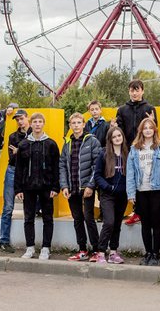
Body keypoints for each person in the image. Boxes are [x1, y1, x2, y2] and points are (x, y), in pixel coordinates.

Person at [126, 117, 160, 266]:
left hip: (157, 190)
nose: (147, 130)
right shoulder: (134, 148)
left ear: (154, 130)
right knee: (145, 224)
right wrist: (131, 193)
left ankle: (156, 254)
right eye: (144, 128)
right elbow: (130, 172)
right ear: (141, 130)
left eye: (150, 128)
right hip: (141, 191)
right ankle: (148, 253)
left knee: (156, 223)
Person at [14, 113, 60, 260]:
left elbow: (56, 167)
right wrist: (18, 189)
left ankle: (46, 248)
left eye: (40, 122)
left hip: (47, 187)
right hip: (28, 187)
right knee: (28, 218)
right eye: (35, 122)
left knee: (48, 218)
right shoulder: (24, 144)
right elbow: (19, 169)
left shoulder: (51, 144)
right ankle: (30, 248)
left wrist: (55, 187)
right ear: (31, 124)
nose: (38, 124)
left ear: (43, 124)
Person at [59, 112, 102, 262]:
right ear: (70, 126)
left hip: (86, 189)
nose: (76, 126)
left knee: (89, 218)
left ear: (84, 125)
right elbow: (62, 166)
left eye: (79, 123)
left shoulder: (92, 141)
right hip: (72, 189)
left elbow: (97, 166)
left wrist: (91, 185)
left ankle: (96, 250)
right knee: (77, 219)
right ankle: (82, 249)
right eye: (73, 123)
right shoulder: (67, 144)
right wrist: (64, 186)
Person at [116, 79, 157, 226]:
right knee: (131, 179)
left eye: (137, 89)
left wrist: (152, 121)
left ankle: (140, 211)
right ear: (129, 91)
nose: (134, 93)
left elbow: (153, 129)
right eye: (132, 90)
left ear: (142, 91)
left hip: (145, 150)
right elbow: (118, 130)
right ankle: (134, 210)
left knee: (144, 179)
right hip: (128, 150)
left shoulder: (149, 108)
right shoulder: (122, 110)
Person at [93, 126, 129, 264]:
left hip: (123, 195)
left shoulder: (128, 153)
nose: (117, 139)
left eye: (119, 136)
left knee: (117, 224)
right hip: (108, 195)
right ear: (110, 139)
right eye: (114, 137)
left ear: (122, 137)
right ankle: (101, 252)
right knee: (109, 222)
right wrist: (108, 187)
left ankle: (113, 252)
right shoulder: (104, 154)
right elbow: (97, 175)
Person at [0, 109, 30, 253]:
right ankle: (3, 241)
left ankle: (29, 244)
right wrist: (23, 152)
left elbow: (33, 156)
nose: (19, 121)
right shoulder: (13, 136)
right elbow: (12, 158)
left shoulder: (34, 134)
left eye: (21, 118)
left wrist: (21, 150)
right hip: (12, 171)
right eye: (17, 119)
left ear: (27, 118)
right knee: (8, 208)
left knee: (29, 209)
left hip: (29, 173)